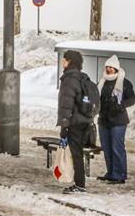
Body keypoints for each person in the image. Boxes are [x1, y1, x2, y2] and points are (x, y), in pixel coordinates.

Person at [57, 49, 94, 194]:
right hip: (84, 121)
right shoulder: (81, 77)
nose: (62, 62)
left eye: (64, 59)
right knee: (77, 153)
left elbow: (67, 105)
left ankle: (80, 185)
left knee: (75, 154)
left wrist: (64, 125)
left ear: (70, 62)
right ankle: (79, 183)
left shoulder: (69, 79)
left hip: (74, 123)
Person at [97, 55, 135, 185]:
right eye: (107, 67)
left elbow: (132, 99)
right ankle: (111, 172)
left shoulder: (124, 82)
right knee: (107, 147)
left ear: (116, 69)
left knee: (117, 147)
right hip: (104, 119)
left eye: (111, 67)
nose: (108, 69)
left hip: (118, 120)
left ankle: (119, 174)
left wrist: (121, 105)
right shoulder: (102, 82)